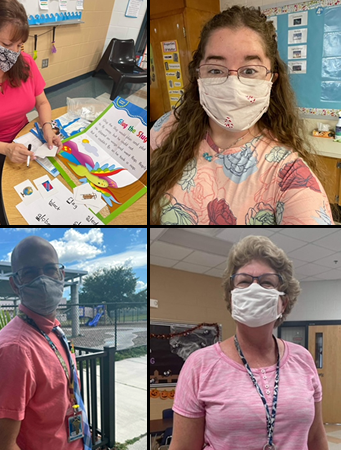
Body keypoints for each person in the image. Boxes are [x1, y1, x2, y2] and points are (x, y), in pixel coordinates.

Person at [149, 6, 332, 225]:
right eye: (216, 70)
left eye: (249, 71)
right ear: (199, 74)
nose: (233, 86)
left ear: (271, 79)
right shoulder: (168, 127)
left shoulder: (289, 173)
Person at [169, 235, 328, 450]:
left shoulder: (303, 359)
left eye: (266, 283)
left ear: (283, 302)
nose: (255, 289)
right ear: (232, 297)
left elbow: (316, 438)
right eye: (244, 281)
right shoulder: (200, 365)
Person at [0, 0, 63, 225]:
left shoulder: (25, 63)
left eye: (19, 45)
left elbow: (43, 103)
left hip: (22, 133)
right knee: (14, 188)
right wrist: (5, 149)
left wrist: (47, 127)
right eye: (7, 44)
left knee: (49, 172)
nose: (13, 53)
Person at [0, 236, 91, 450]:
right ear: (15, 284)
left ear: (61, 275)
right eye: (30, 273)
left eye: (50, 269)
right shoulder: (14, 350)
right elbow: (0, 446)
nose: (42, 280)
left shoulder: (54, 331)